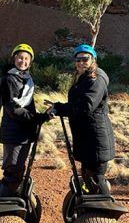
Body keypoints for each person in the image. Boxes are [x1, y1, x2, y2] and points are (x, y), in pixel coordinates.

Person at [0, 43, 51, 197]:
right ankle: (3, 205)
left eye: (26, 59)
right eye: (20, 58)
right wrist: (38, 118)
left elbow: (28, 106)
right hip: (13, 132)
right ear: (14, 59)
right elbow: (13, 109)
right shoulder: (10, 79)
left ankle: (10, 198)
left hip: (24, 132)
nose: (23, 61)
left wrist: (41, 116)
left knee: (18, 169)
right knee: (13, 170)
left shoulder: (26, 79)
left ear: (30, 62)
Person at [47, 44, 116, 195]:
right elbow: (77, 104)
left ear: (93, 60)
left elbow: (86, 106)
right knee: (87, 174)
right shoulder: (84, 77)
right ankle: (89, 209)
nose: (81, 62)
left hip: (95, 137)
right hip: (87, 136)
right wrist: (58, 107)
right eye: (78, 59)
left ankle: (103, 213)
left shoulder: (96, 78)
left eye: (85, 59)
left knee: (96, 178)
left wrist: (60, 109)